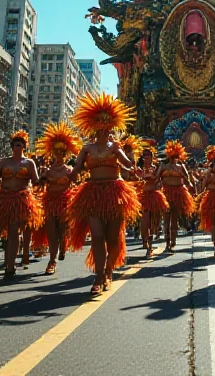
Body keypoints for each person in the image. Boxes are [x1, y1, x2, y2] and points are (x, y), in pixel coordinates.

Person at [69, 93, 141, 295]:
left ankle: (109, 270)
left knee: (113, 238)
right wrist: (71, 175)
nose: (103, 124)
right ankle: (99, 276)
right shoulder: (87, 148)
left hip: (115, 192)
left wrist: (134, 167)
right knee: (97, 236)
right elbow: (77, 168)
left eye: (106, 120)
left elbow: (127, 163)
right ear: (93, 123)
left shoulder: (116, 147)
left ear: (111, 124)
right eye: (99, 120)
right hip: (92, 193)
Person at [0, 130, 42, 278]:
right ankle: (6, 259)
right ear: (12, 147)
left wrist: (44, 179)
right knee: (1, 232)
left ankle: (10, 266)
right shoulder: (4, 162)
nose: (18, 146)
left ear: (24, 147)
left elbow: (36, 180)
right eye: (15, 144)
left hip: (20, 199)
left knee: (14, 232)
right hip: (3, 198)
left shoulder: (29, 163)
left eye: (20, 144)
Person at [35, 121, 82, 275]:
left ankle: (63, 244)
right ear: (52, 153)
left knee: (62, 230)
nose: (59, 154)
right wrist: (41, 178)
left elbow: (76, 182)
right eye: (56, 151)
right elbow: (39, 184)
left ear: (65, 153)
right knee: (51, 232)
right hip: (50, 202)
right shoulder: (47, 170)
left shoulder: (69, 170)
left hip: (64, 202)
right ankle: (52, 261)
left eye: (62, 152)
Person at [156, 139, 195, 253]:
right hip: (166, 193)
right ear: (169, 155)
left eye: (176, 156)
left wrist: (191, 186)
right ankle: (167, 241)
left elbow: (187, 179)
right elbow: (157, 178)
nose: (174, 158)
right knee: (166, 217)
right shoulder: (163, 166)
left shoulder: (181, 166)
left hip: (178, 193)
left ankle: (173, 240)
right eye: (172, 156)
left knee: (174, 217)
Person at [137, 145, 167, 258]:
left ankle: (149, 245)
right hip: (143, 197)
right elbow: (137, 178)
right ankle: (144, 240)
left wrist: (158, 171)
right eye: (145, 156)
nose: (147, 158)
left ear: (152, 157)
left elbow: (156, 179)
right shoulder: (139, 169)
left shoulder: (155, 168)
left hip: (154, 196)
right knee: (144, 221)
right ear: (143, 157)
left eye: (149, 156)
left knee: (153, 222)